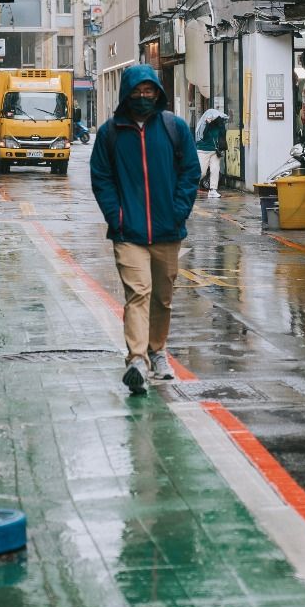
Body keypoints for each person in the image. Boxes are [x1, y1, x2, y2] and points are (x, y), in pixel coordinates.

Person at [90, 65, 201, 394]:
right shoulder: (110, 133)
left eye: (149, 91)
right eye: (137, 92)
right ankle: (137, 360)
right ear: (126, 94)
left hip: (168, 231)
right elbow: (101, 179)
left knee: (162, 299)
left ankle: (157, 351)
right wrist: (117, 216)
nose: (143, 97)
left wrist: (178, 212)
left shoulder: (174, 128)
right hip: (129, 234)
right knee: (138, 293)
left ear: (158, 93)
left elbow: (190, 172)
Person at [194, 108, 228, 198]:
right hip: (203, 150)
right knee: (202, 172)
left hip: (215, 150)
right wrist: (207, 123)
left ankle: (213, 190)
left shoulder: (219, 124)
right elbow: (202, 135)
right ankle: (191, 185)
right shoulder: (204, 124)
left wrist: (221, 147)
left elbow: (222, 135)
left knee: (215, 170)